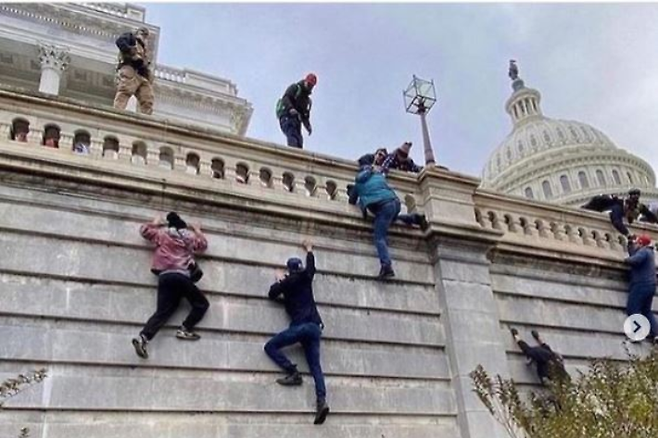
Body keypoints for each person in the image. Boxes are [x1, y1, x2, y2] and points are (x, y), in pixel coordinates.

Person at [264, 239, 330, 425]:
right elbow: (311, 266)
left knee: (270, 346)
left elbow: (271, 294)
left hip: (300, 327)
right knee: (315, 366)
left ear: (289, 269)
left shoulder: (288, 281)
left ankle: (293, 371)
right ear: (299, 268)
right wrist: (309, 249)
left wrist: (279, 279)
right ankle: (321, 401)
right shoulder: (306, 277)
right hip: (315, 328)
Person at [132, 212, 209, 359]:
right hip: (181, 276)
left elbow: (144, 231)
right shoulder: (189, 238)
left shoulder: (162, 235)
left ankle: (143, 338)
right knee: (201, 304)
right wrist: (197, 229)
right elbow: (203, 245)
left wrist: (155, 222)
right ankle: (185, 328)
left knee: (163, 311)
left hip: (164, 277)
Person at [349, 154, 429, 280]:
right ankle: (415, 218)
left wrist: (354, 193)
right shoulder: (378, 175)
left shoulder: (358, 181)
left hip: (383, 206)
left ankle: (386, 266)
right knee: (391, 220)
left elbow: (351, 201)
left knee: (379, 237)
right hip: (394, 202)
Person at [624, 234, 657, 344]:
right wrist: (630, 244)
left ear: (641, 244)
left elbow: (635, 260)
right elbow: (635, 253)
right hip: (651, 285)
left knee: (633, 309)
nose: (635, 244)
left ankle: (637, 334)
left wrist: (626, 260)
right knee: (646, 311)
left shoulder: (644, 251)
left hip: (641, 284)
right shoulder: (650, 252)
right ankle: (656, 333)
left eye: (636, 242)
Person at [581, 188, 658, 237]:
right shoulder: (618, 206)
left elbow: (651, 216)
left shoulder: (640, 206)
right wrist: (627, 234)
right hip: (597, 206)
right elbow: (616, 222)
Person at [114, 27, 154, 115]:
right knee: (125, 91)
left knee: (147, 97)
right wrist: (130, 50)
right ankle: (117, 112)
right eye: (142, 33)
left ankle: (146, 119)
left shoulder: (144, 49)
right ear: (138, 32)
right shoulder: (131, 37)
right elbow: (120, 41)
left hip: (141, 74)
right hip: (130, 67)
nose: (144, 36)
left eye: (146, 35)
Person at [276, 73, 316, 149]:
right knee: (292, 135)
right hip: (287, 116)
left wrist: (308, 126)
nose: (309, 87)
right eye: (309, 84)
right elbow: (286, 98)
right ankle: (292, 154)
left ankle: (298, 155)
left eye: (311, 86)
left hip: (297, 120)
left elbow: (305, 115)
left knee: (299, 140)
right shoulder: (295, 88)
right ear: (305, 81)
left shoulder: (307, 100)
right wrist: (291, 108)